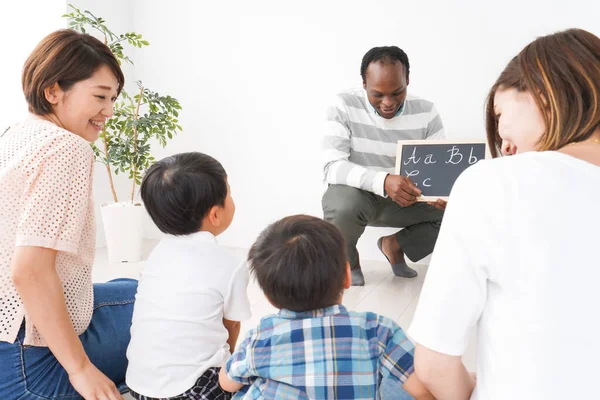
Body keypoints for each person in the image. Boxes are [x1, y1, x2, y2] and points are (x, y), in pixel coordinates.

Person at [409, 28, 600, 400]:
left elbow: (433, 364)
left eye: (500, 114)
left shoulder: (492, 182)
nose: (505, 143)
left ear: (543, 91)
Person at [0, 29, 137, 400]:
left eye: (113, 98)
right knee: (178, 315)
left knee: (138, 288)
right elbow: (28, 271)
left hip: (10, 334)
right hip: (27, 359)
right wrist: (80, 370)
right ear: (53, 91)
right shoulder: (66, 148)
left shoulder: (12, 136)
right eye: (99, 97)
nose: (109, 111)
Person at [219, 215, 435, 400]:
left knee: (245, 387)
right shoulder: (378, 330)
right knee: (394, 379)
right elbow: (424, 389)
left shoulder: (261, 336)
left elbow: (227, 383)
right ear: (347, 277)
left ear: (268, 297)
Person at [126, 152, 251, 400]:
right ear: (215, 215)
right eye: (229, 192)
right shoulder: (230, 265)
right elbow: (232, 325)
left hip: (139, 386)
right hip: (192, 389)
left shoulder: (157, 254)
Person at [322, 46, 446, 286]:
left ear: (407, 80)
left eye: (398, 92)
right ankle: (349, 262)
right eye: (378, 94)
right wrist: (384, 181)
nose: (388, 102)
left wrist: (441, 193)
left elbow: (438, 167)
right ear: (364, 84)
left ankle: (394, 245)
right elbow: (332, 166)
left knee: (458, 211)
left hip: (407, 199)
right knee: (342, 205)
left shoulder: (427, 111)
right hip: (358, 197)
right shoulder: (343, 105)